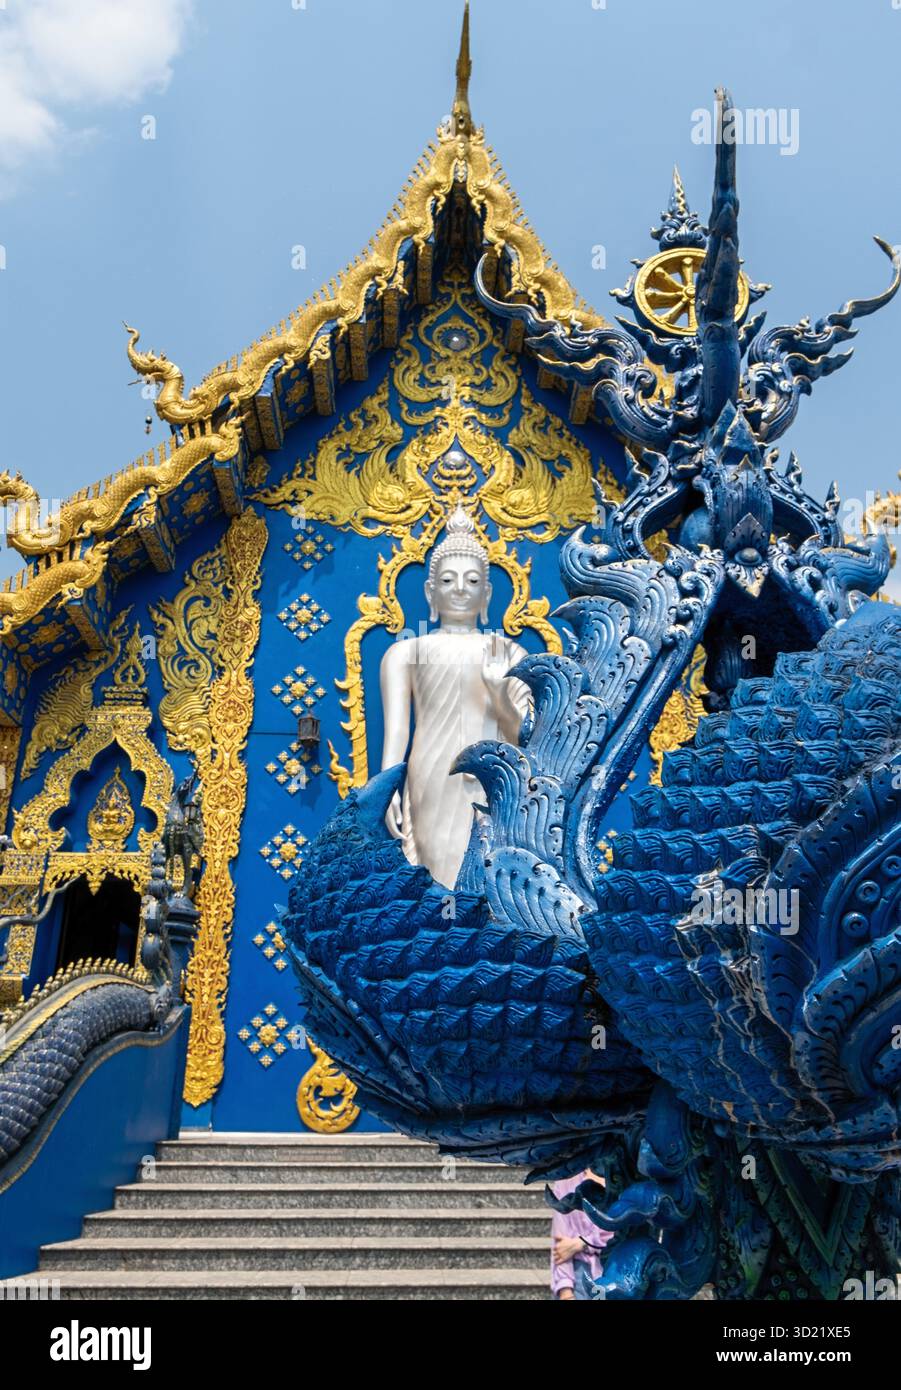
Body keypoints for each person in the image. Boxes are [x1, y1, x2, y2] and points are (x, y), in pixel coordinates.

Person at [379, 505, 529, 889]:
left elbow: (526, 739)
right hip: (431, 774)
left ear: (487, 593)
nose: (461, 589)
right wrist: (385, 790)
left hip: (492, 778)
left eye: (472, 581)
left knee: (488, 867)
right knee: (435, 870)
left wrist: (500, 697)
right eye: (448, 580)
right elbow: (396, 734)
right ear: (431, 592)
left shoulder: (507, 652)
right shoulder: (406, 652)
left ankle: (482, 942)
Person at [550, 1169, 614, 1301]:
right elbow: (561, 1243)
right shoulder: (565, 1179)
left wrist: (582, 1242)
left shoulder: (619, 1176)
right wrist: (565, 1290)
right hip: (577, 1271)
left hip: (614, 1270)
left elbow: (616, 1232)